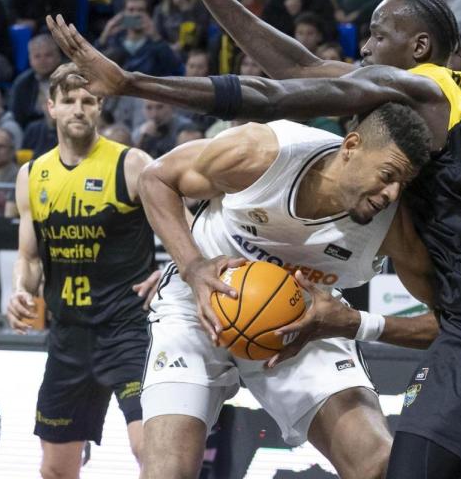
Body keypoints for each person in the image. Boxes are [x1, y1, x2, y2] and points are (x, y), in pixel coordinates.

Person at [45, 0, 461, 476]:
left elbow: (281, 92)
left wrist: (135, 83)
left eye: (376, 37)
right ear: (350, 147)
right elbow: (299, 68)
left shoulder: (421, 101)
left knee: (395, 468)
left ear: (416, 49)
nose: (362, 50)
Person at [140, 105, 439, 478]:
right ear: (351, 146)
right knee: (165, 472)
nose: (392, 194)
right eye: (387, 175)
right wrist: (192, 266)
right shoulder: (263, 153)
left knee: (378, 467)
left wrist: (355, 323)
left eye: (403, 184)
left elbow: (450, 325)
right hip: (198, 305)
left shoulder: (395, 230)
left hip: (306, 324)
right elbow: (156, 179)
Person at [5, 62, 161, 479]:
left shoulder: (132, 164)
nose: (79, 108)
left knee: (151, 449)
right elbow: (31, 257)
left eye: (88, 101)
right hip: (68, 335)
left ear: (100, 107)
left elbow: (186, 224)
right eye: (69, 100)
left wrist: (171, 271)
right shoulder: (32, 175)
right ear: (50, 107)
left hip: (128, 330)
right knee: (55, 469)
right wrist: (21, 290)